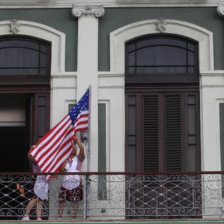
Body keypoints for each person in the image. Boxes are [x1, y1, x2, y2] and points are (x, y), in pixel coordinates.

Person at [58, 134, 85, 220]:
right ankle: (59, 217)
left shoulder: (79, 158)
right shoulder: (65, 159)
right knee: (62, 200)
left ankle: (74, 217)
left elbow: (82, 149)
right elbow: (61, 172)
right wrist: (64, 164)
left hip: (76, 181)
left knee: (75, 200)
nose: (73, 148)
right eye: (72, 148)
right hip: (66, 181)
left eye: (74, 148)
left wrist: (76, 140)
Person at [22, 145, 49, 221]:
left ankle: (38, 217)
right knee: (35, 199)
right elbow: (30, 157)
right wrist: (33, 148)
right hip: (37, 180)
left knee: (40, 200)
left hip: (43, 180)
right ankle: (26, 215)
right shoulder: (35, 158)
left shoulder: (42, 158)